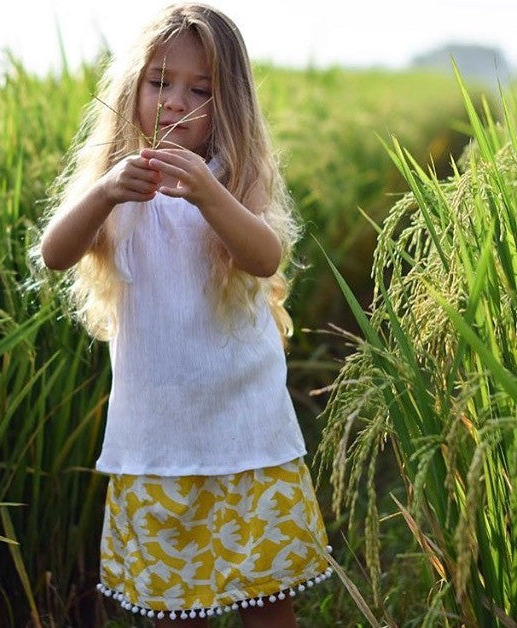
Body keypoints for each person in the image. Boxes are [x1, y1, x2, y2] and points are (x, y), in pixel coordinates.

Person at [38, 3, 333, 626]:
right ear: (133, 86)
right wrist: (102, 192)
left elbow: (263, 255)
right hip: (157, 436)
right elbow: (55, 253)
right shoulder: (116, 182)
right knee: (177, 605)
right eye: (160, 83)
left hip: (245, 428)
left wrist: (207, 191)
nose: (175, 103)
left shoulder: (233, 175)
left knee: (269, 599)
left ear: (228, 105)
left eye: (201, 91)